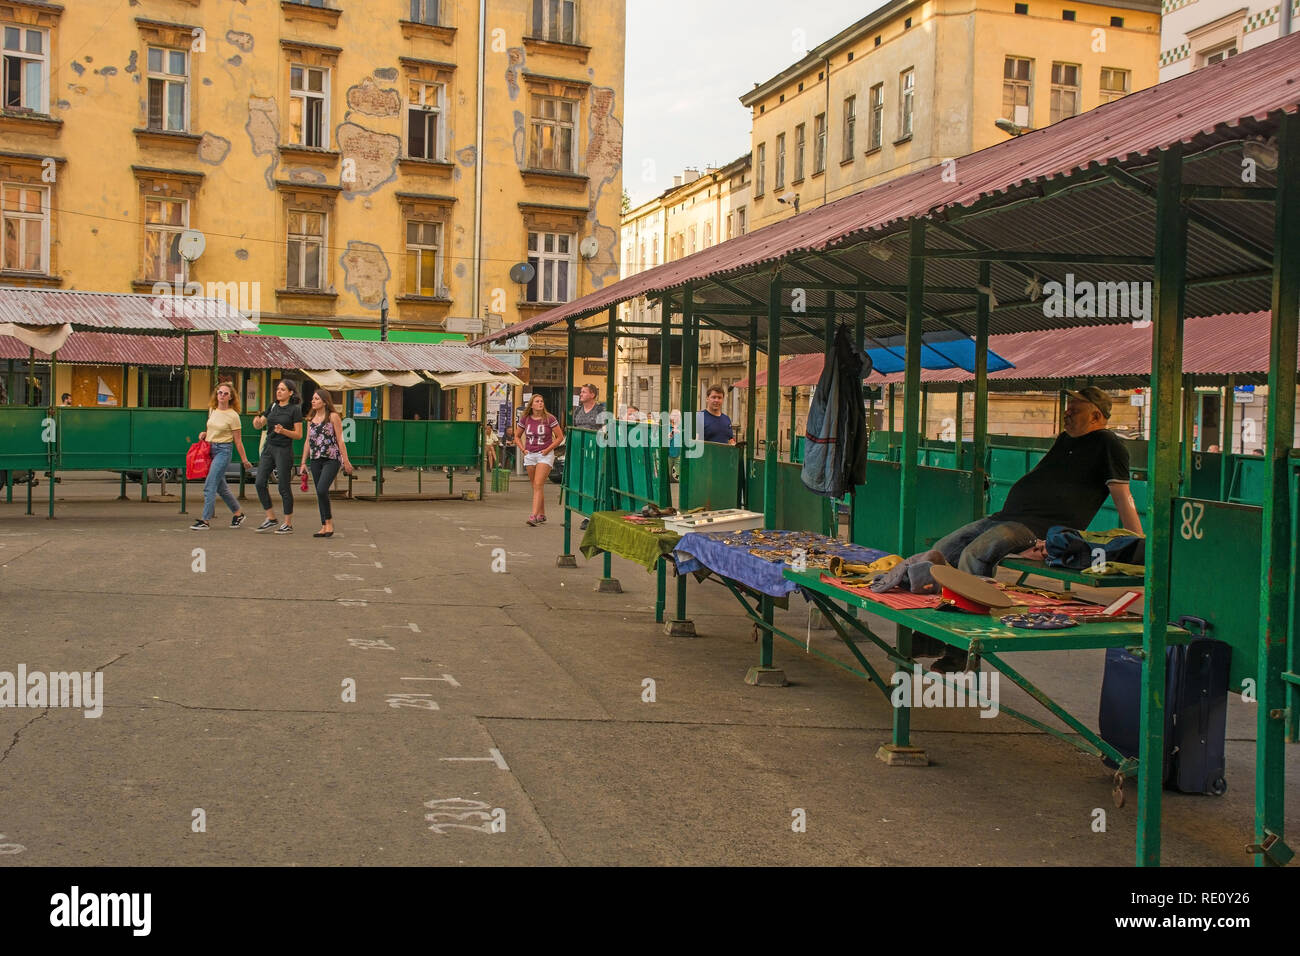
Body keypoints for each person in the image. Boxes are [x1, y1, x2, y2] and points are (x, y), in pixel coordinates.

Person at [926, 386, 1141, 671]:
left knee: (975, 554)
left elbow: (1122, 495)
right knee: (942, 552)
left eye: (1075, 409)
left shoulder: (1109, 444)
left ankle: (963, 647)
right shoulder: (1065, 440)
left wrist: (1136, 542)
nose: (1067, 413)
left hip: (1040, 526)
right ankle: (932, 635)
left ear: (1096, 415)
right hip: (1008, 516)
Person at [191, 383, 251, 531]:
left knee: (210, 484)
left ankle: (205, 520)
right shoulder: (213, 410)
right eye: (220, 393)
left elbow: (238, 440)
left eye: (225, 393)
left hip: (224, 450)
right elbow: (210, 428)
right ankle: (238, 513)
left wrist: (244, 460)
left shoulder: (233, 416)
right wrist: (204, 434)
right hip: (210, 448)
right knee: (220, 487)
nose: (222, 395)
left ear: (231, 397)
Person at [251, 379, 303, 534]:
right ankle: (271, 517)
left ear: (290, 392)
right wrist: (257, 422)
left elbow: (299, 435)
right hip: (269, 447)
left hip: (284, 450)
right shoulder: (273, 406)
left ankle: (288, 523)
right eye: (278, 389)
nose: (278, 392)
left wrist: (284, 431)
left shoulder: (295, 409)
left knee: (283, 487)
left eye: (282, 389)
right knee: (259, 482)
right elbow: (260, 423)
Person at [300, 389, 353, 538]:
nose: (313, 401)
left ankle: (329, 522)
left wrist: (346, 461)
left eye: (316, 399)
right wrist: (303, 462)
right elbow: (307, 442)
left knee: (323, 489)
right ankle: (324, 525)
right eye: (312, 399)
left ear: (324, 401)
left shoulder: (333, 417)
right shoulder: (310, 420)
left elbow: (340, 440)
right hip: (316, 459)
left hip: (331, 458)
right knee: (319, 492)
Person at [515, 393, 563, 526]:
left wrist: (548, 450)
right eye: (537, 401)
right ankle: (542, 514)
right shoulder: (525, 419)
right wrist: (523, 449)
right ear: (531, 404)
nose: (540, 403)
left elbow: (560, 437)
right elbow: (517, 436)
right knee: (536, 486)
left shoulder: (549, 418)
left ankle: (533, 516)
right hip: (530, 454)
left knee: (538, 484)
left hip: (544, 454)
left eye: (541, 401)